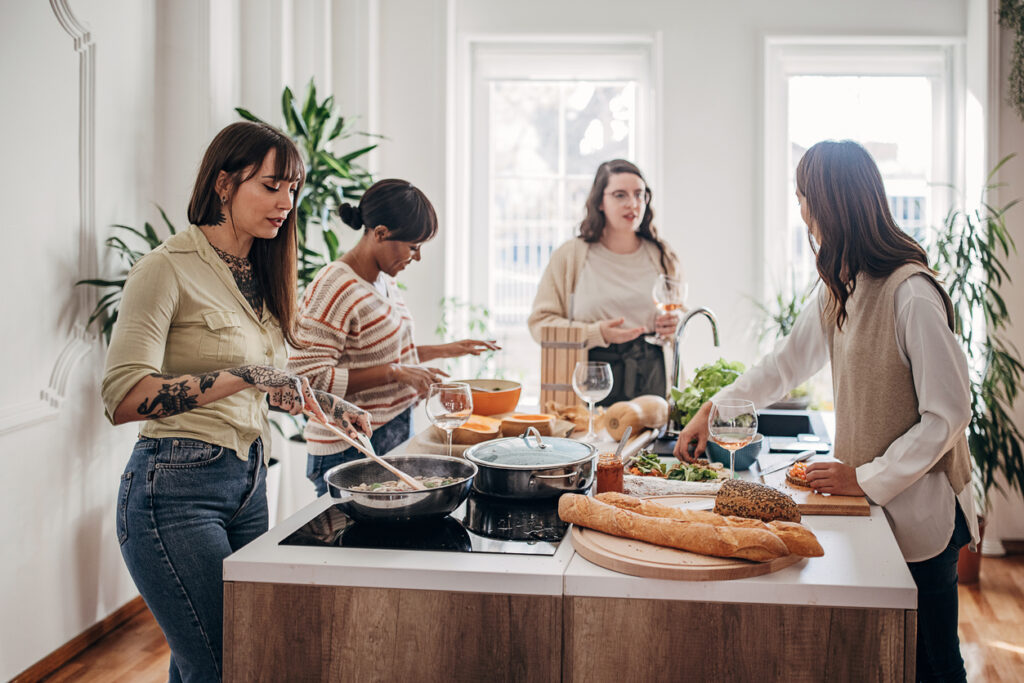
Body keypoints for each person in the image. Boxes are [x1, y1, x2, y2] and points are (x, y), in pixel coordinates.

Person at [674, 140, 976, 682]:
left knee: (934, 665)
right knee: (892, 659)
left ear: (831, 203)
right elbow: (784, 365)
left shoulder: (912, 294)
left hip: (923, 516)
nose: (801, 209)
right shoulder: (843, 284)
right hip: (879, 511)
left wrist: (864, 478)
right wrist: (710, 410)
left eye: (803, 196)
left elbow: (948, 416)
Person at [102, 121, 371, 683]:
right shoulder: (165, 268)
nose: (286, 203)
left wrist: (323, 402)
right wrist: (245, 373)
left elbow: (263, 381)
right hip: (174, 490)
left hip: (248, 482)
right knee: (227, 663)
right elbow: (125, 397)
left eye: (293, 189)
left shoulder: (263, 271)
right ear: (224, 184)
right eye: (272, 186)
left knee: (216, 656)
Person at [287, 178, 499, 495]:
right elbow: (304, 378)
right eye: (414, 246)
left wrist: (449, 349)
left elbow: (378, 355)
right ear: (381, 233)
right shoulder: (334, 286)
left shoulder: (384, 280)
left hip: (391, 431)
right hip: (348, 445)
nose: (417, 257)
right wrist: (395, 373)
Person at [528, 159, 682, 404]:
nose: (632, 204)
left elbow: (678, 313)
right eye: (620, 195)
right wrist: (595, 333)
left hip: (652, 377)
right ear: (599, 201)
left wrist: (675, 325)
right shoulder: (570, 256)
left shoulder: (662, 255)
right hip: (588, 379)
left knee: (652, 442)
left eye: (639, 195)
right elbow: (539, 325)